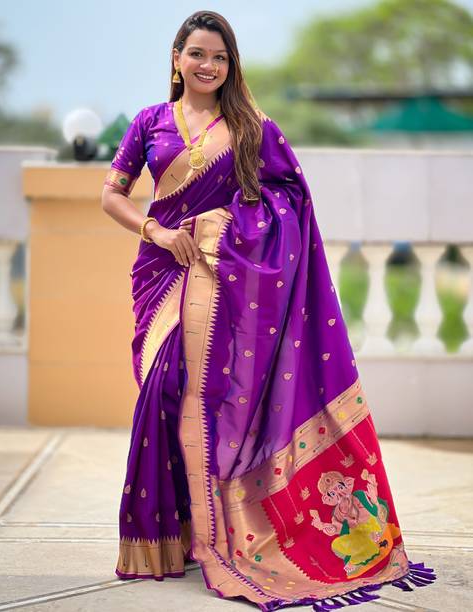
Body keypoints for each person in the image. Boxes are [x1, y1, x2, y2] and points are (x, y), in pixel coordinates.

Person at [101, 10, 436, 611]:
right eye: (197, 54)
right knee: (163, 392)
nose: (208, 65)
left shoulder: (252, 127)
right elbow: (112, 194)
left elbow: (288, 200)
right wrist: (157, 232)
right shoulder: (148, 122)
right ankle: (167, 537)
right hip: (162, 276)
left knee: (202, 398)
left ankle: (217, 531)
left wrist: (222, 227)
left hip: (224, 285)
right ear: (176, 58)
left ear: (231, 65)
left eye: (220, 57)